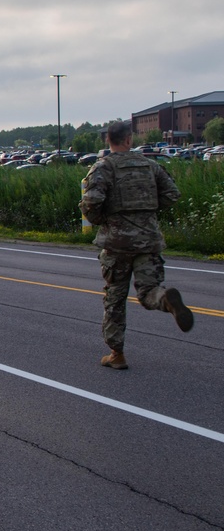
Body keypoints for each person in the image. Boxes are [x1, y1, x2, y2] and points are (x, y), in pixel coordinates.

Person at [79, 120, 194, 370]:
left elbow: (91, 203)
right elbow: (172, 194)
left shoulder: (103, 167)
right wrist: (146, 214)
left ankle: (116, 354)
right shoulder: (151, 166)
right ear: (130, 140)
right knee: (148, 291)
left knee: (115, 298)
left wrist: (104, 221)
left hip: (117, 243)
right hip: (148, 240)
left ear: (107, 140)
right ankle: (165, 299)